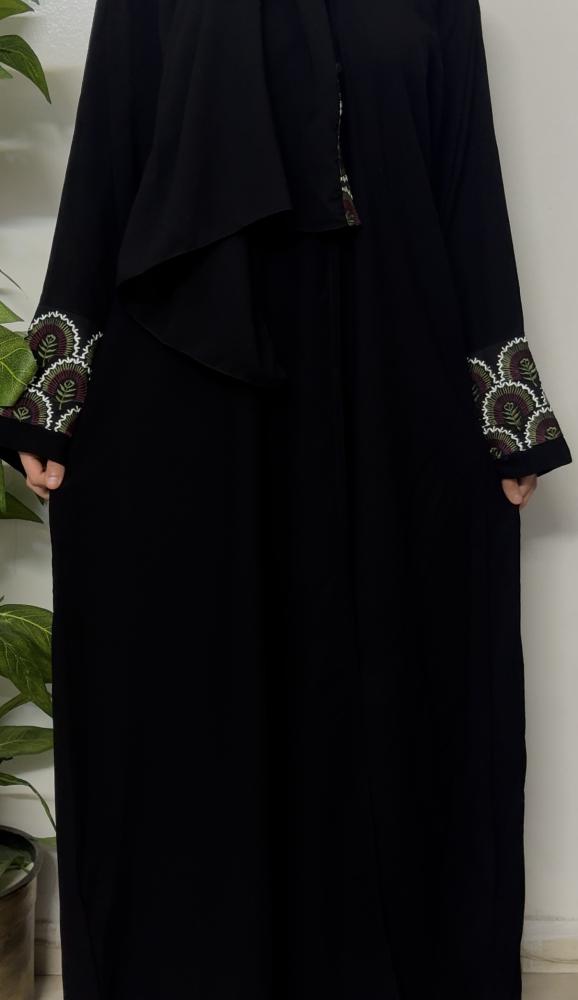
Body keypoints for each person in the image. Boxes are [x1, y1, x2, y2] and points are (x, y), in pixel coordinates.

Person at [0, 1, 572, 997]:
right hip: (193, 377)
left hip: (387, 367)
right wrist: (55, 392)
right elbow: (106, 165)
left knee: (387, 685)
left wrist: (504, 407)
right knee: (198, 687)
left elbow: (465, 183)